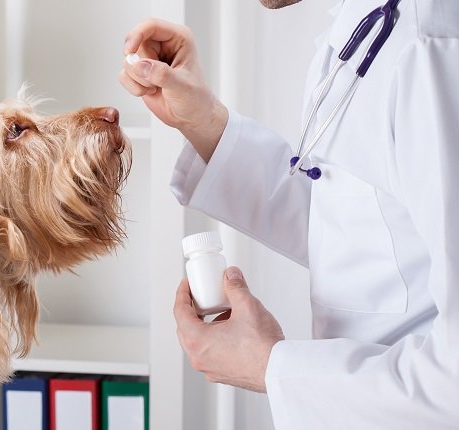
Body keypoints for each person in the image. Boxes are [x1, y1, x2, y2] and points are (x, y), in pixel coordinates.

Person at [120, 0, 459, 428]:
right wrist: (204, 121)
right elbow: (366, 230)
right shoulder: (369, 25)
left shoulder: (431, 50)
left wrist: (269, 366)